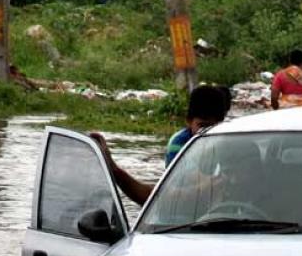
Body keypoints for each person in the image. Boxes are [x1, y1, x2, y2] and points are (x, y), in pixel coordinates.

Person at [91, 84, 230, 206]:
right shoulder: (178, 143)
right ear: (188, 121)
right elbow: (191, 180)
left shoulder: (226, 141)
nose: (207, 132)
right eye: (202, 126)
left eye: (213, 126)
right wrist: (220, 181)